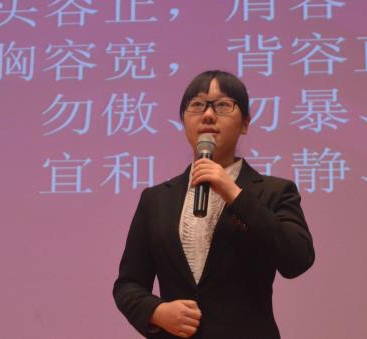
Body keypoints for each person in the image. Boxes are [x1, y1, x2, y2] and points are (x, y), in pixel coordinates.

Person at [113, 70, 315, 338]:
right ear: (184, 121)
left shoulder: (275, 192)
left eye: (222, 105)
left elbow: (297, 259)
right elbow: (128, 284)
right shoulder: (156, 199)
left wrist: (234, 193)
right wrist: (157, 312)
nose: (208, 115)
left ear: (245, 123)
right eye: (197, 105)